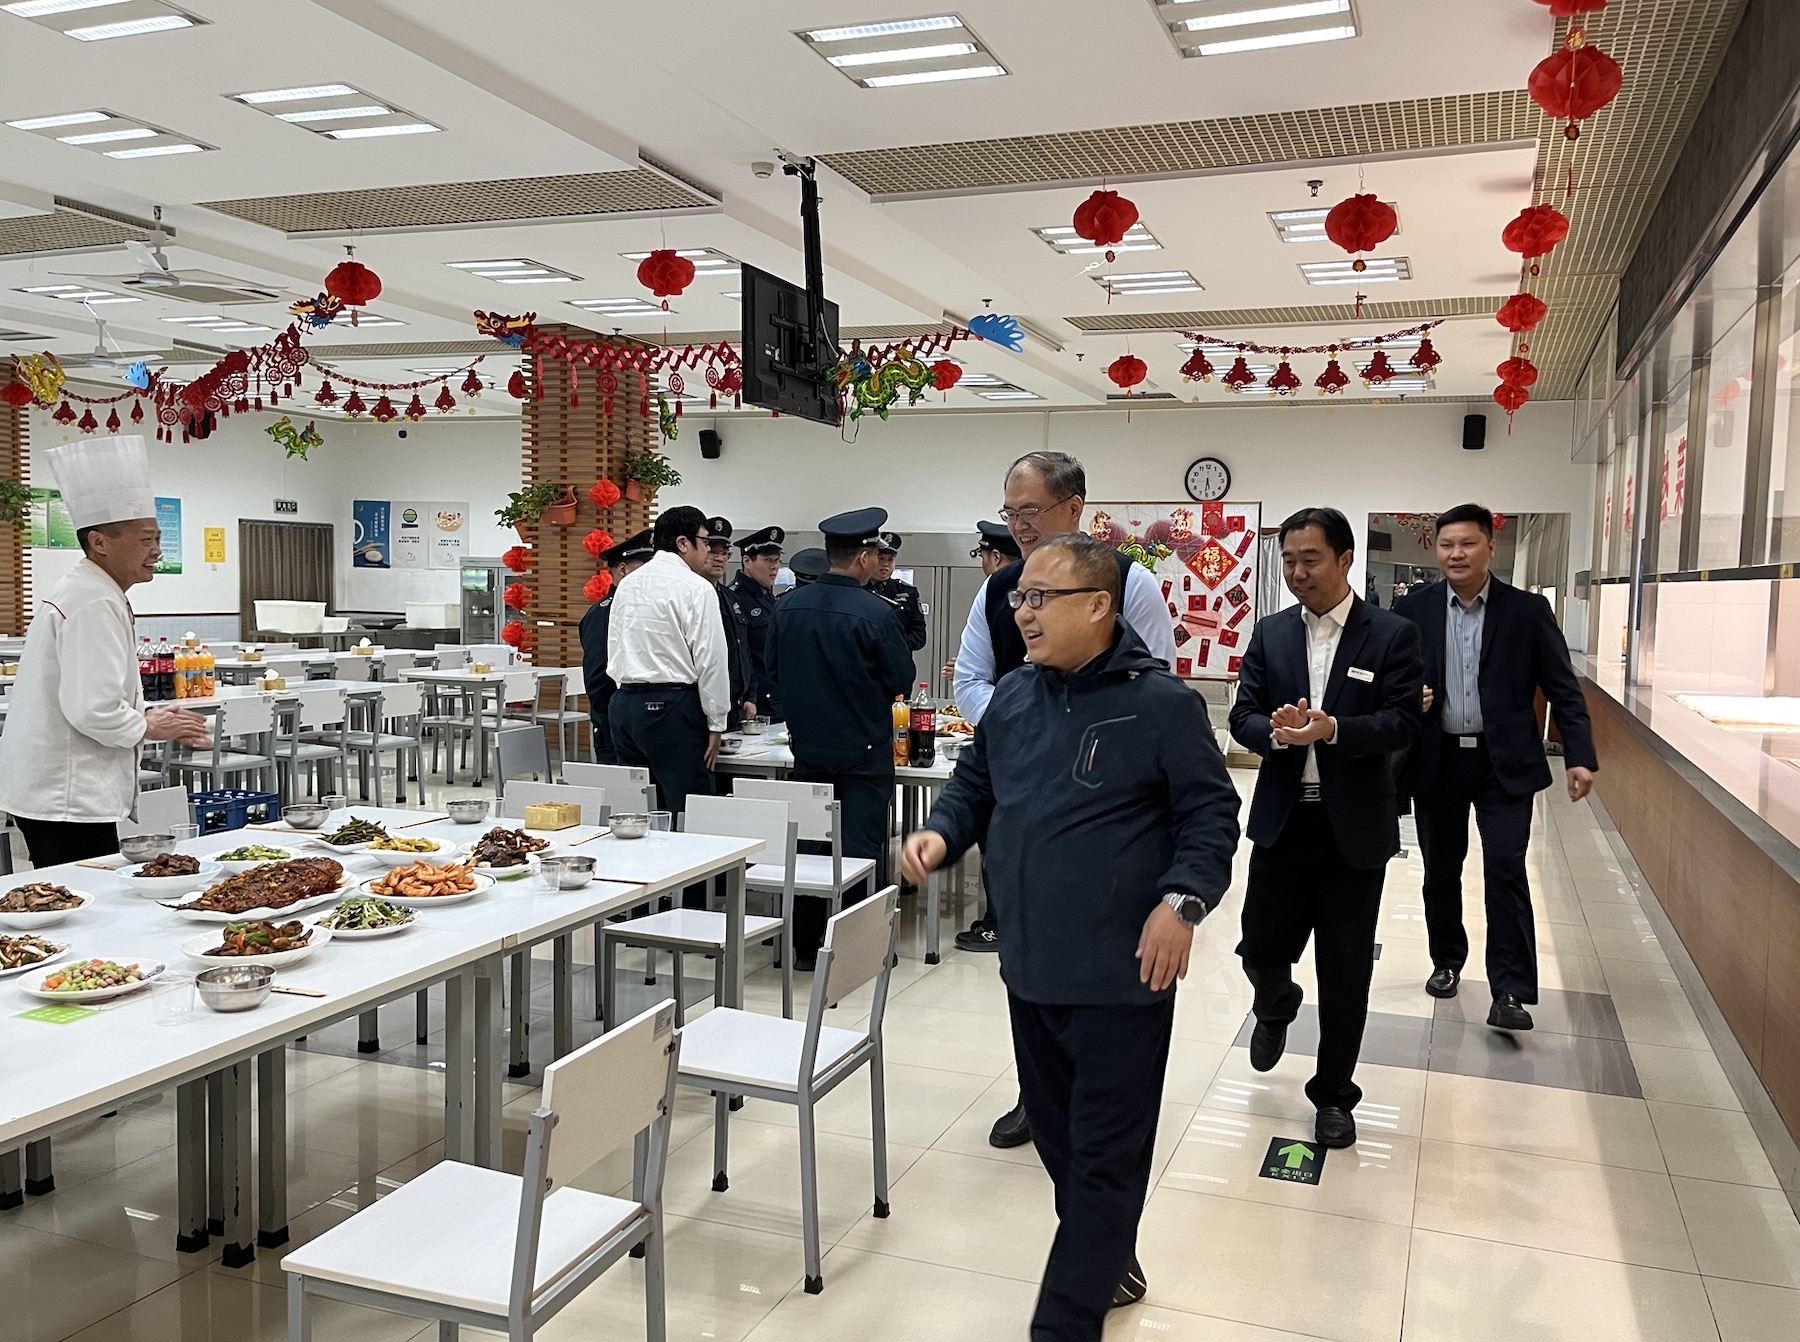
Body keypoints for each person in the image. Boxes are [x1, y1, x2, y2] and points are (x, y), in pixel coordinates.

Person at [903, 534, 1239, 1340]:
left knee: (1103, 1163)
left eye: (1040, 598)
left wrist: (1181, 902)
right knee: (1060, 1146)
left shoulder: (1161, 705)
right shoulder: (1016, 697)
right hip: (1031, 967)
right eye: (1019, 598)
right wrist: (942, 832)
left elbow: (1211, 814)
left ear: (1098, 606)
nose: (1022, 612)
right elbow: (975, 784)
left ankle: (1063, 1323)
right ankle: (1107, 1255)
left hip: (1122, 974)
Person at [951, 451, 1179, 1152]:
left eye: (1031, 512)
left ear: (1074, 509)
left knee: (1101, 950)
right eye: (1010, 512)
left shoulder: (1129, 584)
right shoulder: (998, 589)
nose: (1018, 526)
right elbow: (970, 679)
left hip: (1107, 810)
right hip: (1020, 801)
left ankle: (1100, 1104)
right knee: (1025, 952)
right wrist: (1023, 732)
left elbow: (1155, 688)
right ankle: (1037, 1093)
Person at [1230, 506, 1423, 1150]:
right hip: (1284, 821)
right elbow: (1241, 715)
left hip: (1353, 831)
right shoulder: (1271, 633)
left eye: (1309, 559)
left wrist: (1333, 729)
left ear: (1344, 560)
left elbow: (1403, 721)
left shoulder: (1391, 635)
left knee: (1344, 971)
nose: (1297, 572)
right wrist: (1274, 732)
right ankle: (1275, 1002)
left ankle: (1334, 1096)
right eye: (1288, 560)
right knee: (1259, 947)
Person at [1393, 503, 1598, 1031]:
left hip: (1502, 763)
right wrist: (1406, 698)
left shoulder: (1526, 611)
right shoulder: (1412, 611)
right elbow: (1388, 680)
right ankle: (1446, 960)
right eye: (1446, 545)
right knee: (1441, 870)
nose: (1456, 554)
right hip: (1438, 760)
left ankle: (1510, 988)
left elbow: (1562, 688)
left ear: (1490, 547)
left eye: (1467, 544)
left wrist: (1579, 755)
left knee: (1506, 869)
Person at [0, 435, 211, 866]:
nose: (157, 551)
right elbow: (92, 709)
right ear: (100, 542)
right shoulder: (93, 600)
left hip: (61, 790)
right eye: (146, 539)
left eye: (158, 538)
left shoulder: (93, 589)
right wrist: (149, 725)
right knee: (80, 897)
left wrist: (150, 717)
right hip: (66, 794)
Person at [766, 507, 916, 969]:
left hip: (808, 749)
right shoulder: (877, 613)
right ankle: (857, 951)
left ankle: (806, 946)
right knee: (860, 850)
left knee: (810, 846)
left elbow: (772, 670)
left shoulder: (787, 607)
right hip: (863, 751)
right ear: (865, 558)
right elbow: (900, 680)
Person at [607, 506, 729, 825]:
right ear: (683, 543)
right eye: (705, 541)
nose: (709, 550)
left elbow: (615, 646)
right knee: (688, 808)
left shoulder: (628, 584)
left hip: (624, 705)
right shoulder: (696, 588)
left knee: (638, 811)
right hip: (671, 707)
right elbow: (711, 659)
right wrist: (717, 722)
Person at [578, 528, 652, 764]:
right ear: (623, 569)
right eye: (646, 567)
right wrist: (615, 720)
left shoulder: (644, 608)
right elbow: (598, 677)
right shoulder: (604, 613)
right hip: (615, 728)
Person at [944, 521, 1022, 684]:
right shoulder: (1036, 589)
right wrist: (969, 666)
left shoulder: (993, 594)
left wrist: (969, 670)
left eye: (983, 557)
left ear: (996, 557)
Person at [702, 516, 757, 732]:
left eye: (724, 553)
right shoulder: (692, 596)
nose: (719, 559)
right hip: (705, 707)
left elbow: (743, 649)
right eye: (713, 552)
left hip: (736, 706)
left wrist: (750, 695)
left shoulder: (730, 598)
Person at [730, 526, 785, 721]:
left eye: (777, 560)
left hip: (778, 697)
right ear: (747, 561)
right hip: (755, 703)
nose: (774, 567)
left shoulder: (769, 598)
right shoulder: (735, 598)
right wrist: (749, 696)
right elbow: (740, 655)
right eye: (768, 560)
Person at [869, 531, 927, 651]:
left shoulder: (908, 592)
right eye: (881, 558)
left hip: (897, 657)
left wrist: (895, 644)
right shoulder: (859, 589)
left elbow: (919, 636)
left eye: (890, 559)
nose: (885, 564)